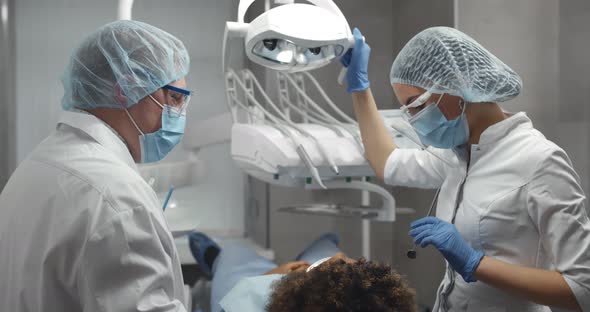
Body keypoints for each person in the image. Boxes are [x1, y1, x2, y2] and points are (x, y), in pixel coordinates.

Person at [340, 26, 590, 311]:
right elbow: (388, 164)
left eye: (415, 105)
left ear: (455, 88)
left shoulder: (540, 162)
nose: (412, 119)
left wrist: (475, 263)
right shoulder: (457, 155)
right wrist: (359, 88)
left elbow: (581, 290)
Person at [0, 20, 192, 311]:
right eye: (174, 98)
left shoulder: (40, 164)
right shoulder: (115, 197)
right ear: (125, 89)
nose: (178, 114)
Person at [188, 232, 416, 312]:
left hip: (258, 287)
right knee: (326, 245)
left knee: (233, 254)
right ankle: (325, 242)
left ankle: (214, 257)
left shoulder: (249, 300)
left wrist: (272, 277)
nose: (341, 260)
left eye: (345, 264)